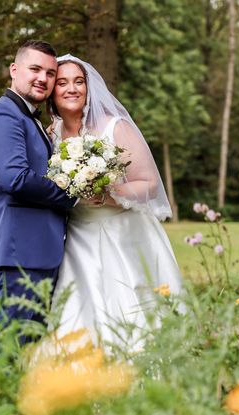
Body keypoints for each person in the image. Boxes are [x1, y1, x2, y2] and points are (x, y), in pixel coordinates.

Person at [46, 54, 184, 353]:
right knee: (78, 305)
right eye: (63, 82)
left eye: (79, 82)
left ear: (89, 87)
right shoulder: (50, 134)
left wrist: (109, 193)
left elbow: (147, 184)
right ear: (52, 91)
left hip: (122, 231)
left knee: (130, 302)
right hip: (78, 233)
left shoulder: (114, 127)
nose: (72, 89)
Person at [0, 40, 77, 343]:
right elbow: (15, 179)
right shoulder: (2, 114)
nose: (42, 79)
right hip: (14, 254)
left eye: (49, 73)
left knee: (28, 354)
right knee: (6, 352)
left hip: (38, 254)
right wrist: (72, 194)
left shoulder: (32, 120)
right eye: (35, 69)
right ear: (14, 70)